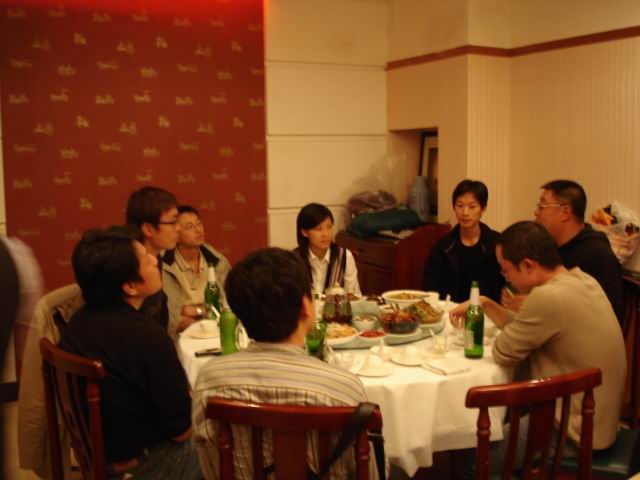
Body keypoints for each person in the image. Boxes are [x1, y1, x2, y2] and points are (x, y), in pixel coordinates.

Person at [450, 221, 625, 473]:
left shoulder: (546, 297)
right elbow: (531, 328)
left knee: (468, 457)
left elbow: (503, 352)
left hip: (571, 430)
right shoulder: (582, 279)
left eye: (506, 270)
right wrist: (486, 304)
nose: (506, 278)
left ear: (528, 265)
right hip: (600, 421)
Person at [191, 248, 370, 479]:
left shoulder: (208, 381)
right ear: (306, 306)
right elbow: (370, 472)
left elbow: (211, 467)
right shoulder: (345, 388)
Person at [58, 226, 201, 480]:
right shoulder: (149, 338)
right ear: (130, 286)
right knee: (227, 438)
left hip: (98, 457)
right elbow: (182, 432)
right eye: (146, 259)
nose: (155, 260)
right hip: (144, 466)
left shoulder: (75, 326)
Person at [502, 180, 624, 326]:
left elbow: (611, 316)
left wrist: (535, 305)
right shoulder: (549, 247)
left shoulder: (597, 254)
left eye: (542, 206)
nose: (536, 212)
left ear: (565, 213)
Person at [422, 179, 503, 303]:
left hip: (487, 312)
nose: (465, 212)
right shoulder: (443, 247)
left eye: (472, 207)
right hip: (450, 311)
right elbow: (429, 288)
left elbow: (508, 283)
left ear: (483, 208)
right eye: (460, 206)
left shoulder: (497, 245)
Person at [163, 205, 232, 337]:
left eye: (199, 224)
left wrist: (195, 310)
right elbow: (170, 317)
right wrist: (199, 322)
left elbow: (228, 305)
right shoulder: (165, 267)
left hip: (216, 331)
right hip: (179, 337)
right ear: (177, 234)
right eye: (190, 227)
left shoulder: (217, 261)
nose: (198, 230)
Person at [125, 186, 180, 331]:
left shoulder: (156, 259)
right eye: (173, 222)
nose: (178, 228)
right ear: (148, 229)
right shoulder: (130, 268)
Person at [294, 202, 361, 296]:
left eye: (329, 227)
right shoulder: (294, 260)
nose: (326, 234)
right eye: (319, 229)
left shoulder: (344, 256)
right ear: (304, 232)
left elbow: (354, 296)